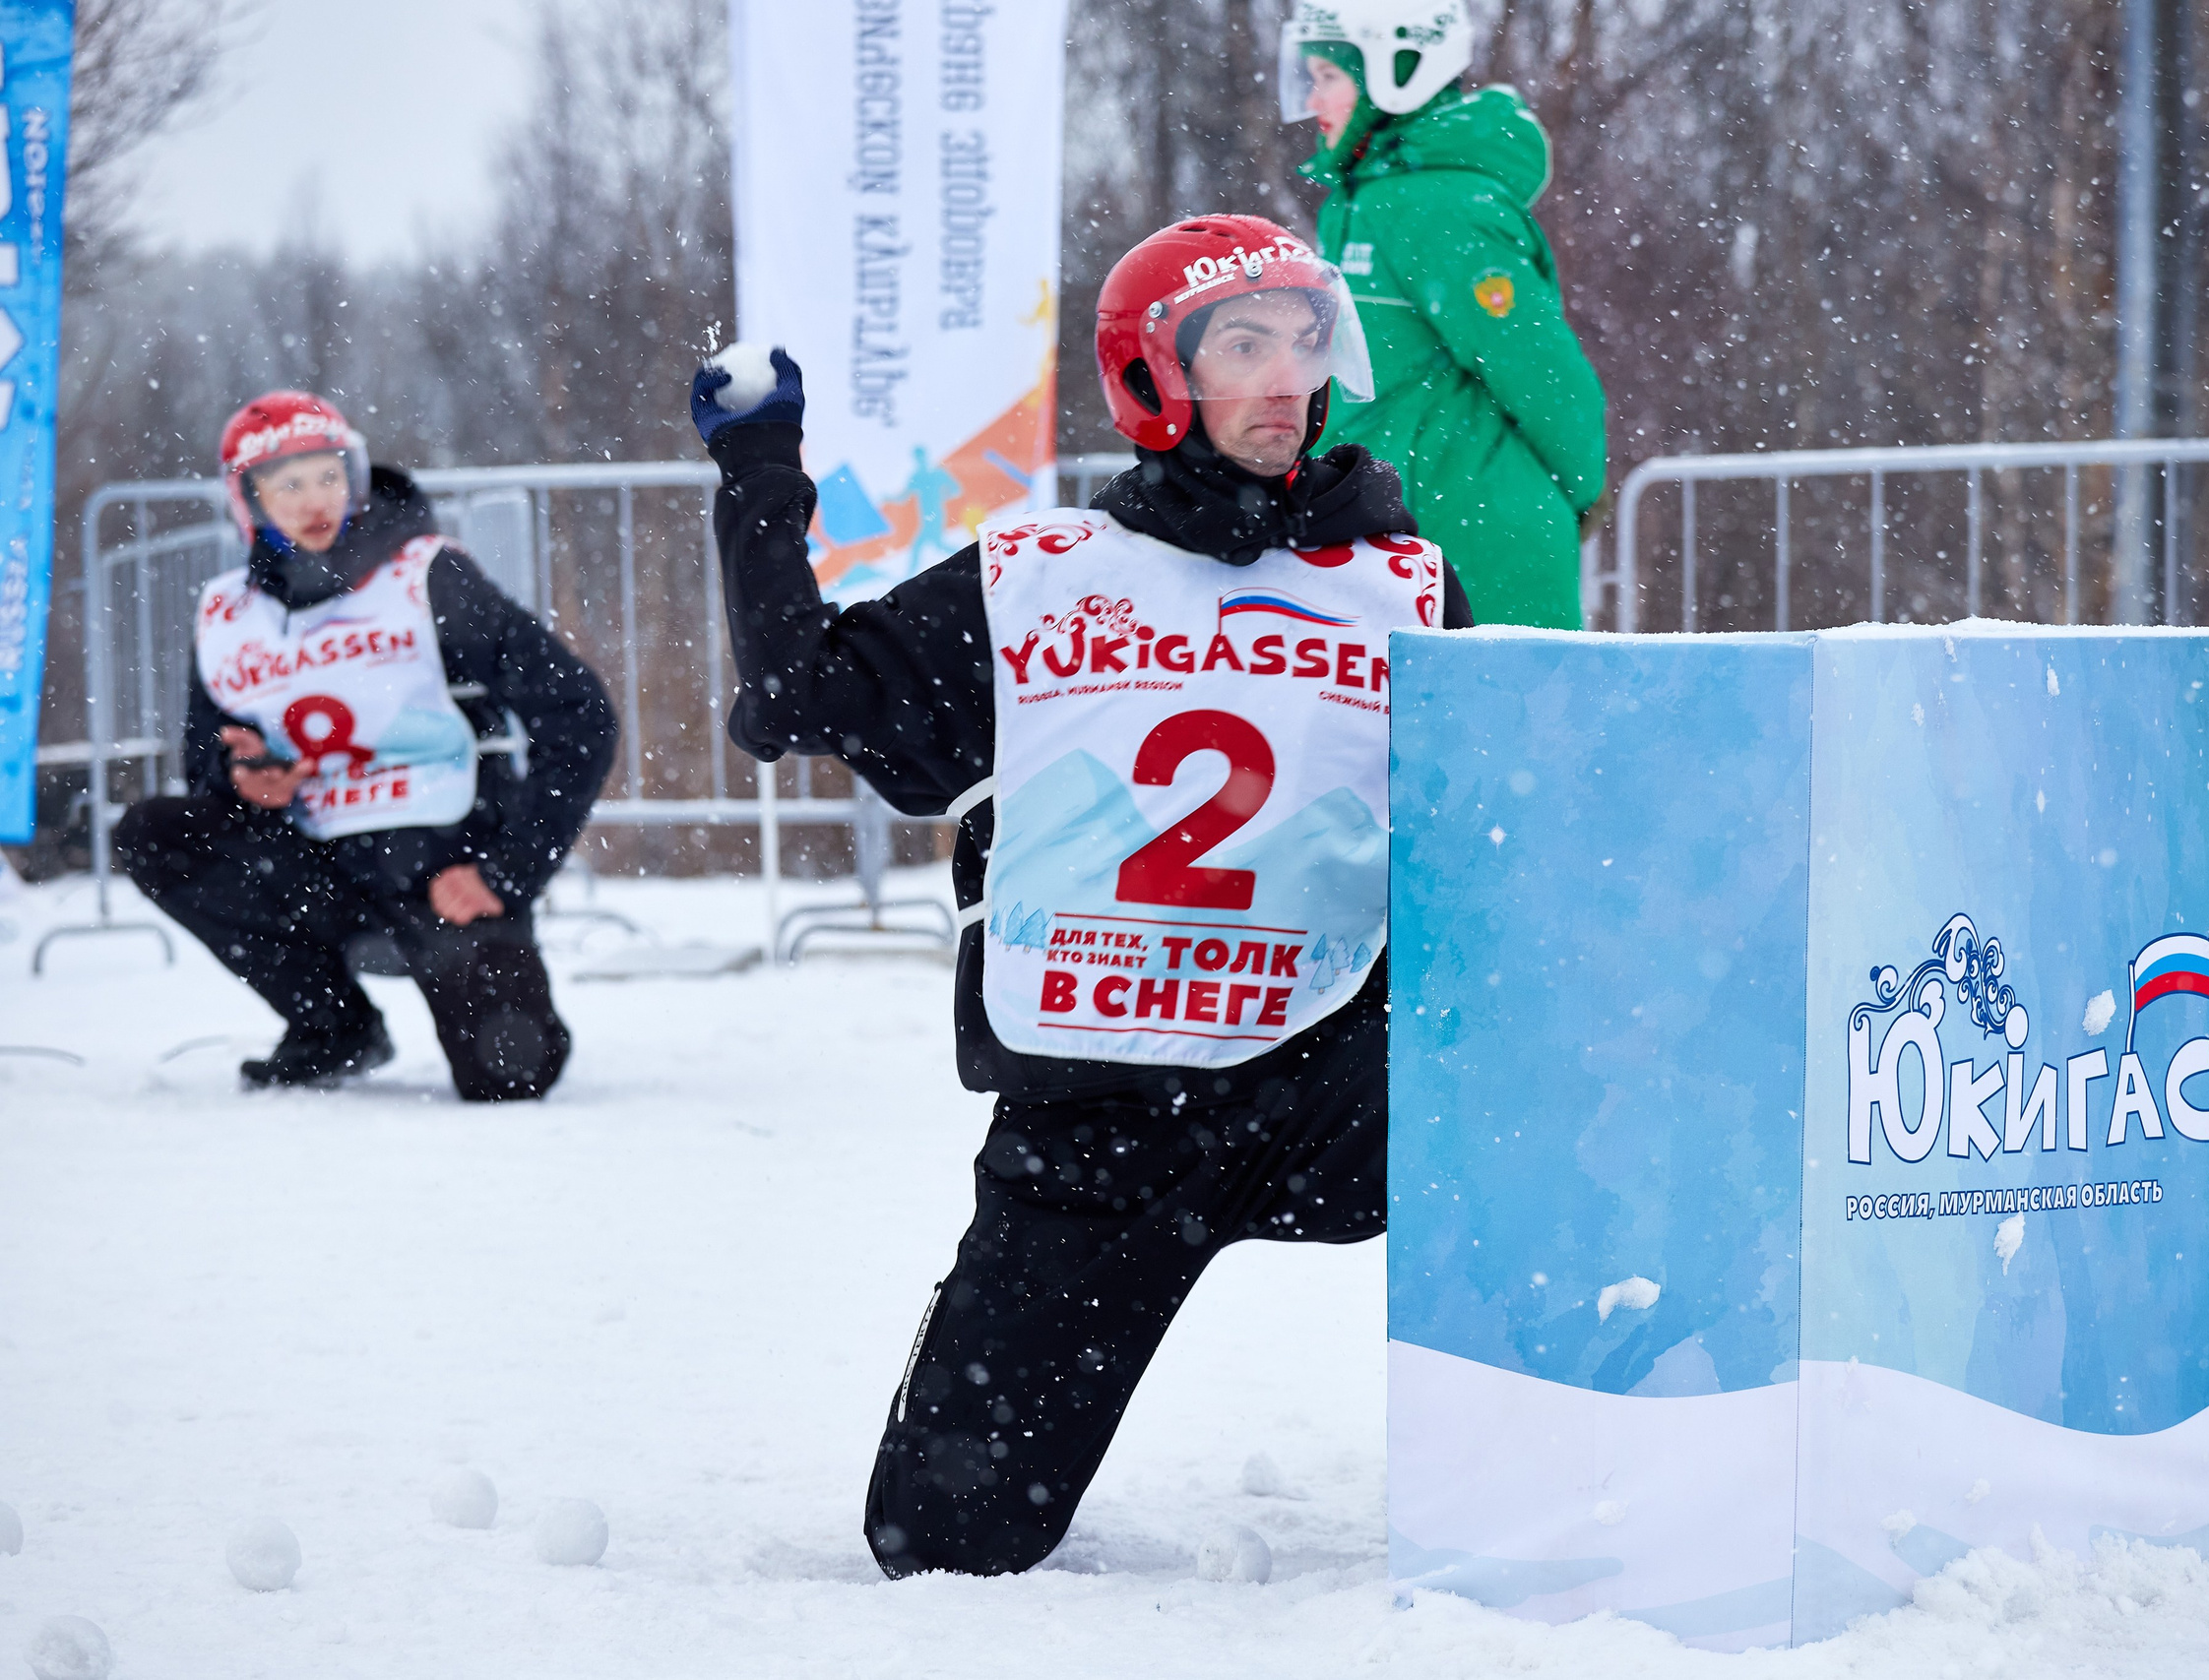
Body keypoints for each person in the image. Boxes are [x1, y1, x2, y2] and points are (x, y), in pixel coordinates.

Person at [690, 215, 1474, 1578]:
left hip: (1335, 1080)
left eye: (1301, 341)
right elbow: (790, 698)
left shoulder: (1401, 582)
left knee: (1560, 1109)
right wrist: (760, 474)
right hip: (1100, 1114)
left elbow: (1508, 829)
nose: (1283, 377)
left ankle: (1632, 1438)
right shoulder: (1036, 577)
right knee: (938, 1537)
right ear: (1155, 377)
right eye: (1241, 345)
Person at [114, 392, 616, 1098]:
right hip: (317, 866)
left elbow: (581, 716)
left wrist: (508, 871)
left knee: (513, 1073)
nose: (313, 499)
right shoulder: (228, 614)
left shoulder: (428, 576)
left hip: (444, 868)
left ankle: (475, 970)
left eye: (327, 474)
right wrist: (243, 778)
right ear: (247, 500)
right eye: (286, 484)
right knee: (155, 833)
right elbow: (207, 762)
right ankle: (335, 1027)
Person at [1285, 0, 1606, 630]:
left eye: (1327, 77)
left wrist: (1576, 496)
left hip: (1477, 545)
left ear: (1395, 71)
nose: (1312, 100)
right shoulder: (1365, 200)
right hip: (1396, 538)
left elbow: (1541, 369)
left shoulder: (1438, 205)